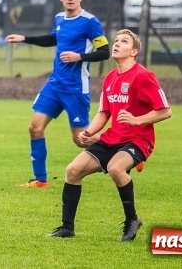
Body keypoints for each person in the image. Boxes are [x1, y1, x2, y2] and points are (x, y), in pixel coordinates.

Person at [47, 29, 171, 241]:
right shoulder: (110, 78)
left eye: (124, 42)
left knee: (116, 167)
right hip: (113, 138)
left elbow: (165, 111)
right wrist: (89, 132)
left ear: (133, 52)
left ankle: (132, 219)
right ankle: (67, 227)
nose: (116, 44)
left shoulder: (144, 76)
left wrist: (136, 120)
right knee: (73, 170)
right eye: (116, 41)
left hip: (138, 140)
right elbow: (104, 112)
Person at [6, 0, 110, 188]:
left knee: (80, 140)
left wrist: (79, 57)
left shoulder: (90, 22)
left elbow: (105, 52)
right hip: (54, 85)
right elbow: (54, 39)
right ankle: (40, 180)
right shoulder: (59, 18)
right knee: (35, 128)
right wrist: (25, 38)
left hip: (75, 89)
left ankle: (124, 148)